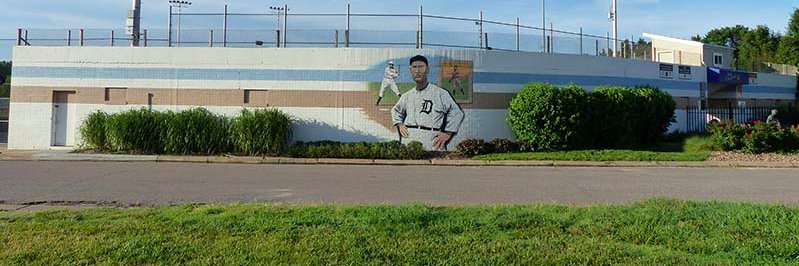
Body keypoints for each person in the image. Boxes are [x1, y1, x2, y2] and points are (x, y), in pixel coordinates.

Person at [391, 55, 465, 151]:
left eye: (421, 67)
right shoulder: (407, 95)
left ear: (428, 69)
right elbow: (396, 110)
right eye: (414, 67)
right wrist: (399, 124)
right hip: (409, 137)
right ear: (410, 70)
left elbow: (456, 112)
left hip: (432, 138)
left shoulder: (440, 93)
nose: (417, 71)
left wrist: (448, 133)